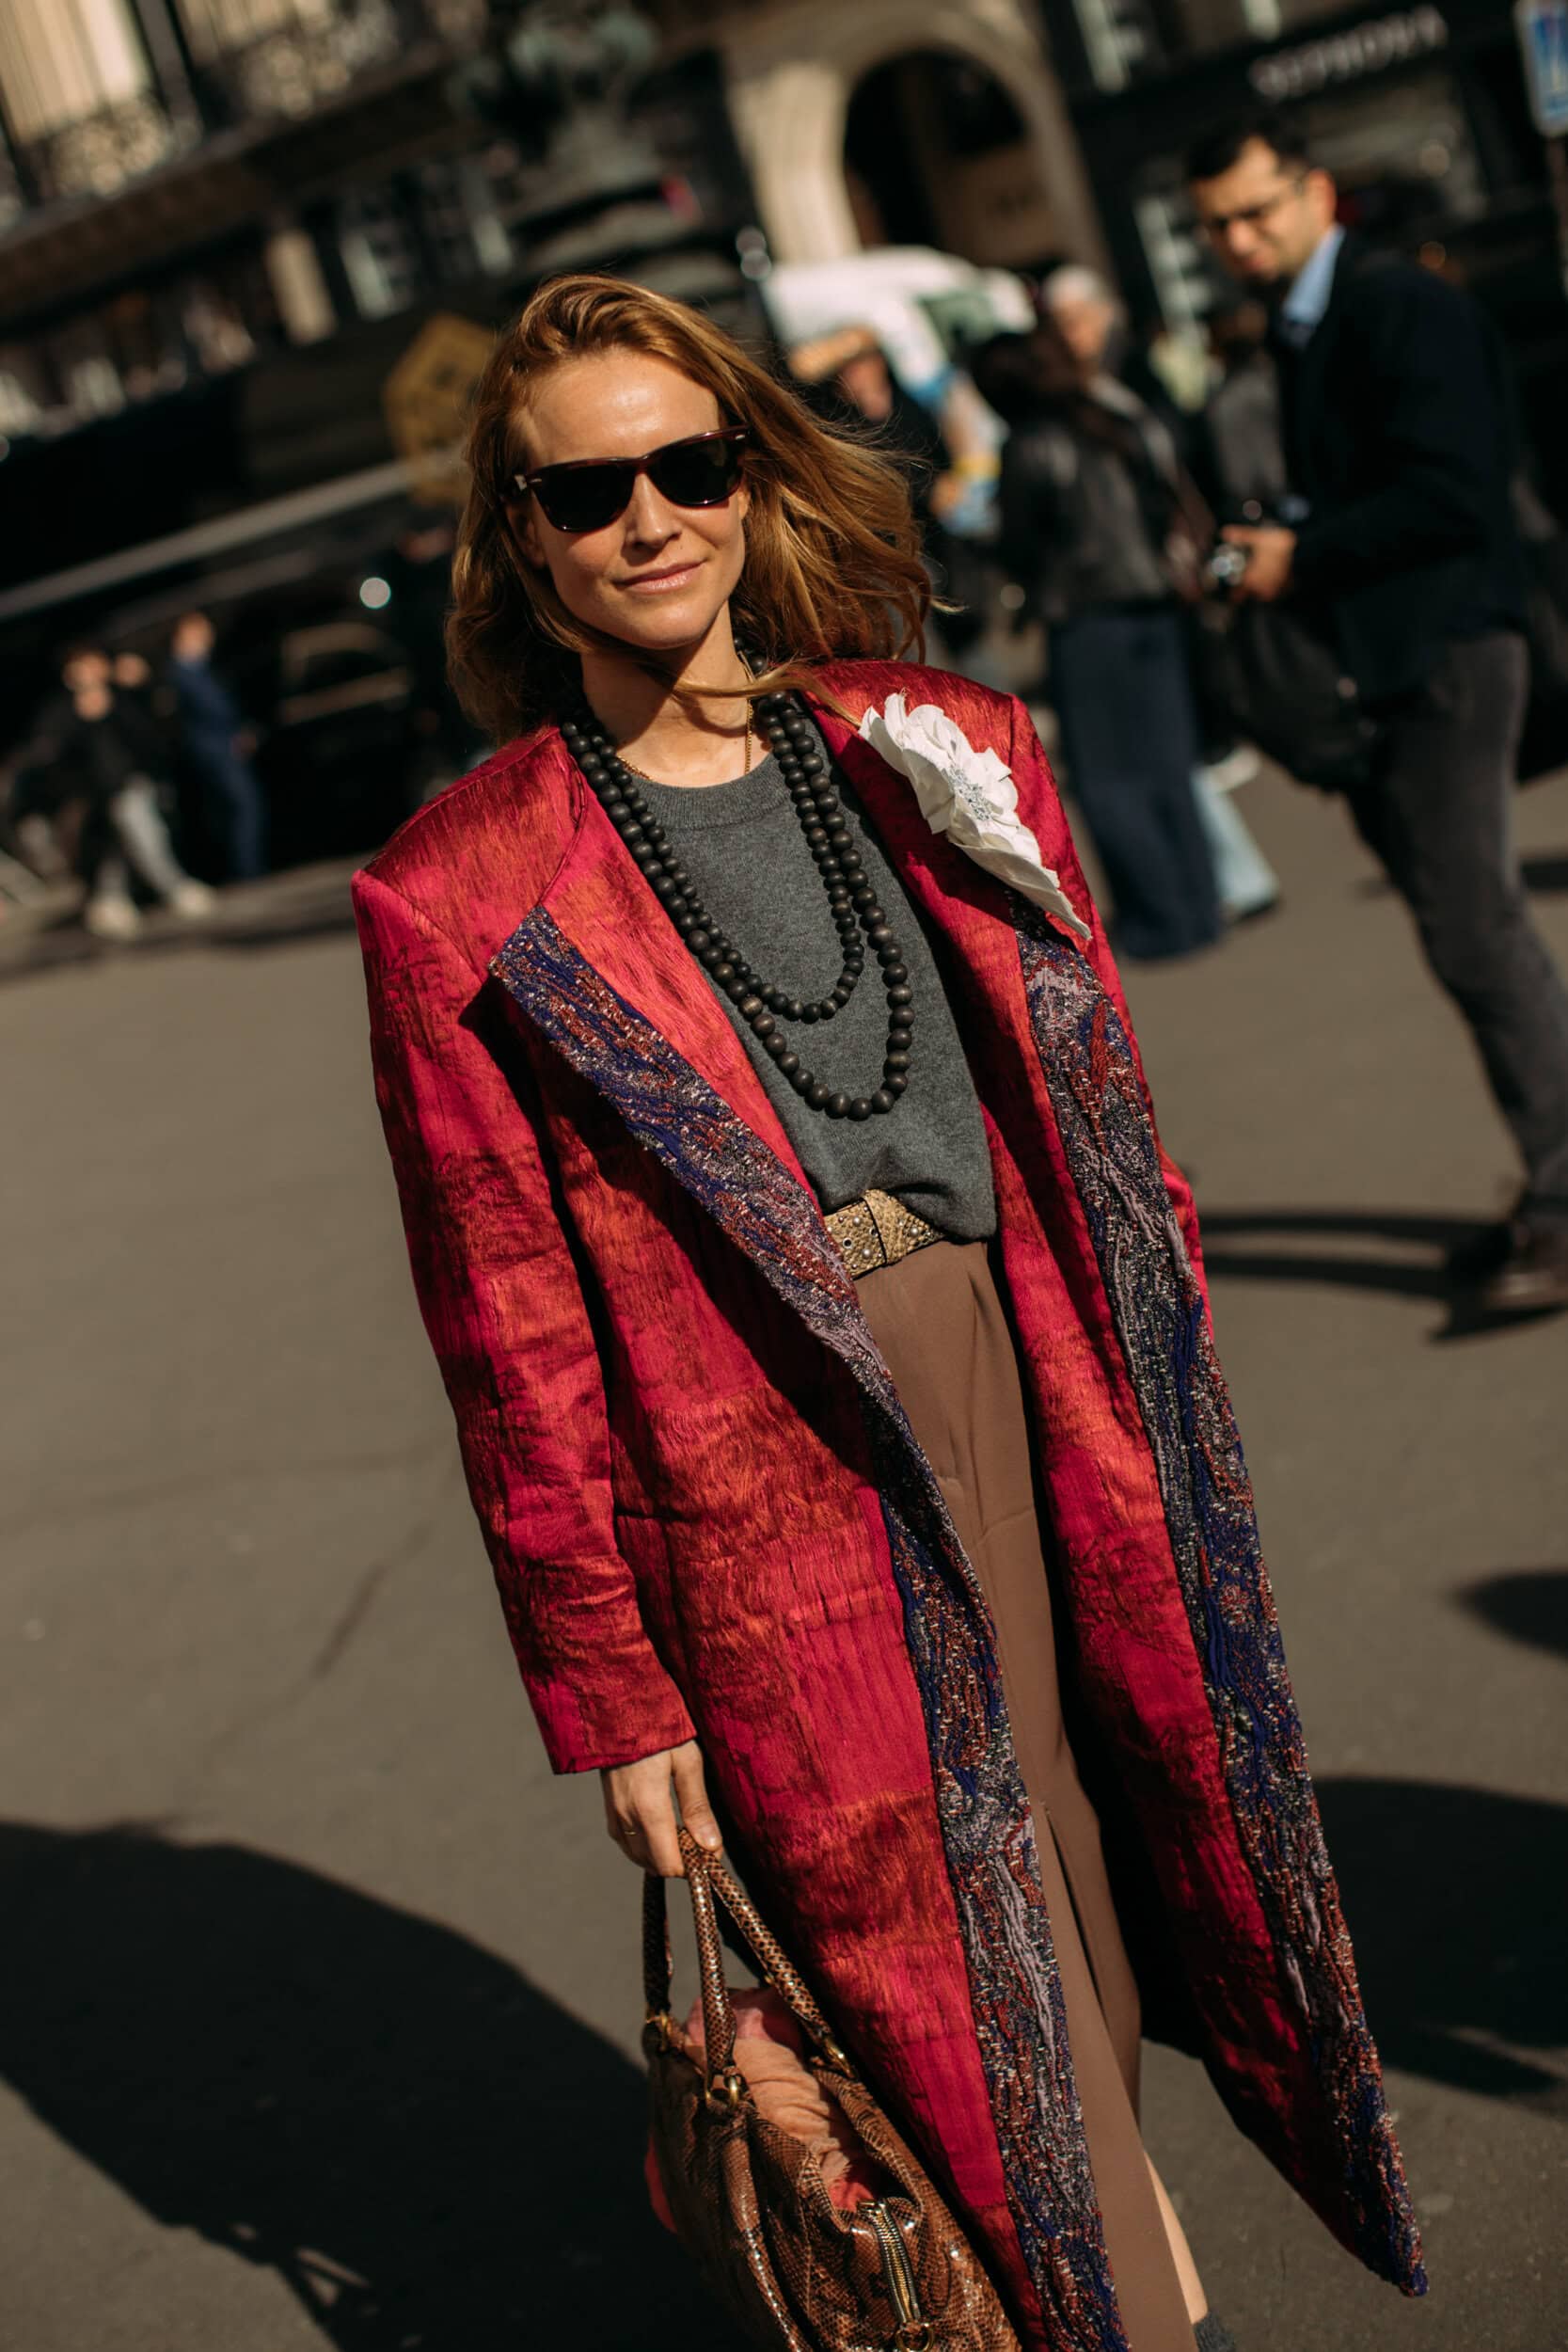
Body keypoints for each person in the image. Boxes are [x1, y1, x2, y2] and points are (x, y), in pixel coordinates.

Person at [353, 274, 1422, 2352]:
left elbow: (1098, 1099)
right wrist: (614, 1689)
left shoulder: (933, 749)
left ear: (747, 473)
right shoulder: (461, 886)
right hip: (759, 1472)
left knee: (1092, 1873)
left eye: (690, 463)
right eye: (589, 490)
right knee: (931, 1950)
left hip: (1030, 1389)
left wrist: (1165, 1375)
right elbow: (505, 1325)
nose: (649, 517)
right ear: (520, 533)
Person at [1189, 111, 1568, 1313]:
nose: (1239, 240)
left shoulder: (1392, 303)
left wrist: (1296, 555)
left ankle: (1565, 1197)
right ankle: (1553, 1180)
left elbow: (1453, 494)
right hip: (1397, 662)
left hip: (1447, 648)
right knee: (1462, 928)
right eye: (1216, 227)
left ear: (1315, 194)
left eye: (1256, 212)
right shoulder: (1307, 324)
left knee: (1473, 927)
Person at [977, 320, 1227, 957]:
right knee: (1169, 765)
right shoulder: (1108, 416)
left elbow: (1021, 546)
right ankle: (1199, 904)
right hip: (1156, 606)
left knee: (1108, 779)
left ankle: (1160, 916)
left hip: (1088, 619)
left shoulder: (1030, 443)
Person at [50, 646, 214, 941]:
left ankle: (115, 899)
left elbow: (151, 731)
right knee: (135, 838)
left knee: (136, 838)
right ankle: (171, 888)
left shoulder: (123, 698)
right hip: (99, 794)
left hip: (134, 782)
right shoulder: (63, 714)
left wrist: (132, 689)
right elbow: (59, 756)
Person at [168, 611, 269, 882]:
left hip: (223, 744)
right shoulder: (180, 674)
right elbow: (209, 710)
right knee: (243, 805)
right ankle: (246, 870)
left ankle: (246, 867)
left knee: (237, 808)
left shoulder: (206, 668)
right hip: (213, 750)